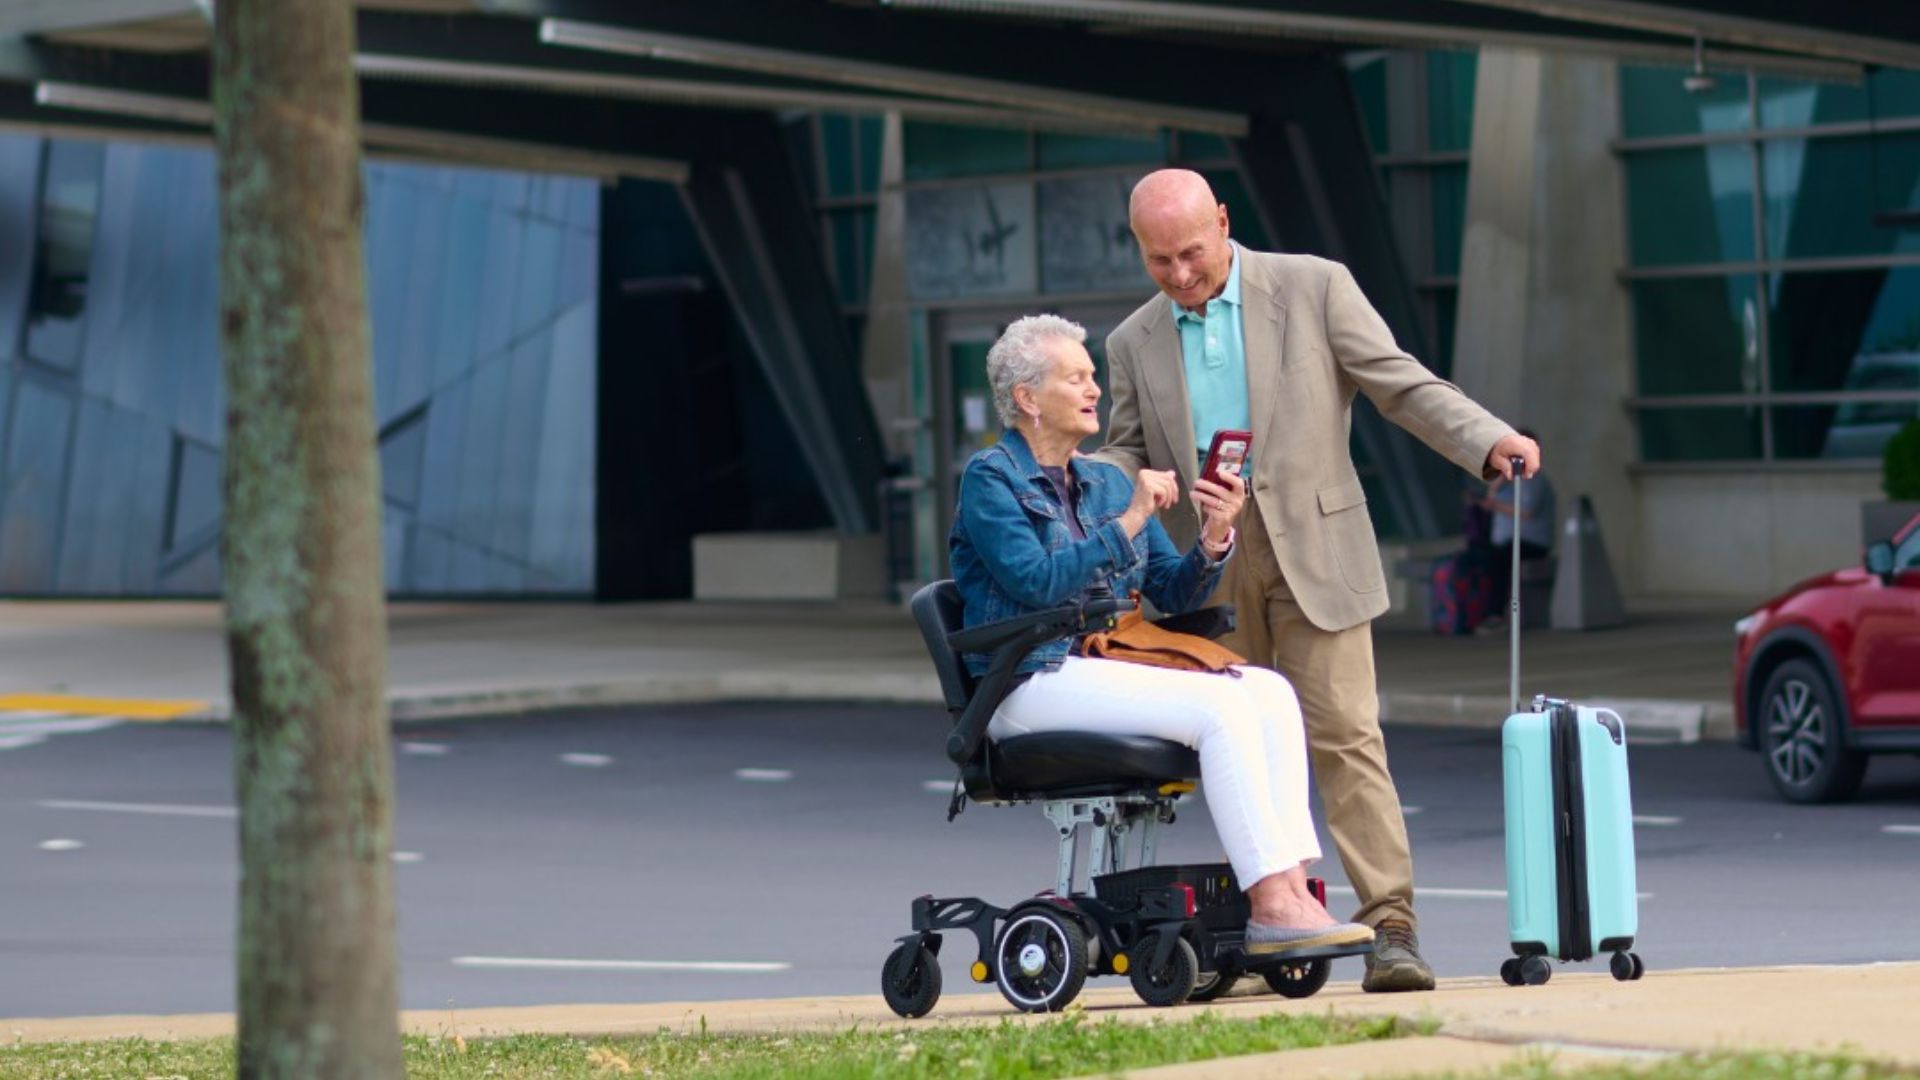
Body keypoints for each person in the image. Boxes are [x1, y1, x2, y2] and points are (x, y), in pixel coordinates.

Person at [1096, 168, 1542, 992]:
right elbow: (1126, 449)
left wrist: (1486, 441)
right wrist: (1094, 486)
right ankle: (1279, 925)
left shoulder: (1313, 286)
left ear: (1224, 222)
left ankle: (1390, 929)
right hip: (1212, 559)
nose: (1180, 274)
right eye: (1159, 262)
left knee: (1345, 737)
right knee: (1246, 754)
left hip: (1317, 549)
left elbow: (1398, 382)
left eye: (1191, 252)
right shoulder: (1132, 342)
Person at [951, 313, 1371, 953]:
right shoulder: (992, 480)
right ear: (1027, 399)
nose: (1095, 389)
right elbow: (1036, 582)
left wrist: (1214, 535)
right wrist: (1130, 521)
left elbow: (1173, 590)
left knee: (1269, 691)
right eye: (1076, 378)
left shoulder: (1104, 480)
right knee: (1222, 705)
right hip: (1026, 678)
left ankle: (1292, 887)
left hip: (1098, 662)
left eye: (1094, 375)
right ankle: (1270, 905)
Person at [1477, 428, 1556, 633]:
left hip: (1530, 543)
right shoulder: (1506, 483)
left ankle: (1495, 615)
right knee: (1483, 558)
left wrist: (1496, 506)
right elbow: (1489, 497)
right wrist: (1500, 478)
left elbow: (1527, 511)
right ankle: (1481, 612)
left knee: (1498, 563)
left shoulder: (1533, 480)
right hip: (1505, 543)